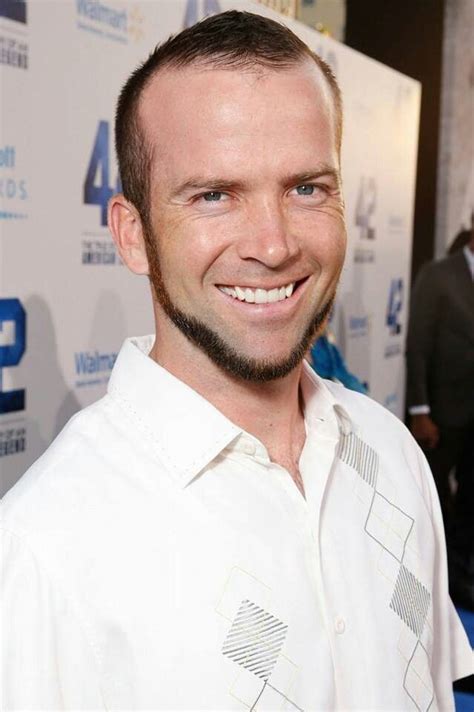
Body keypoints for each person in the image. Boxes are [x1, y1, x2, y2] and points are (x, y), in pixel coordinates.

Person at [1, 11, 472, 710]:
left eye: (307, 187)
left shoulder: (393, 452)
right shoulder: (42, 548)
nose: (274, 244)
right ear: (132, 236)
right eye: (214, 195)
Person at [406, 219, 474, 609]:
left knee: (471, 498)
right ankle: (437, 579)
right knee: (434, 500)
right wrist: (420, 410)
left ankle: (462, 575)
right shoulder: (439, 274)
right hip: (442, 413)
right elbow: (418, 345)